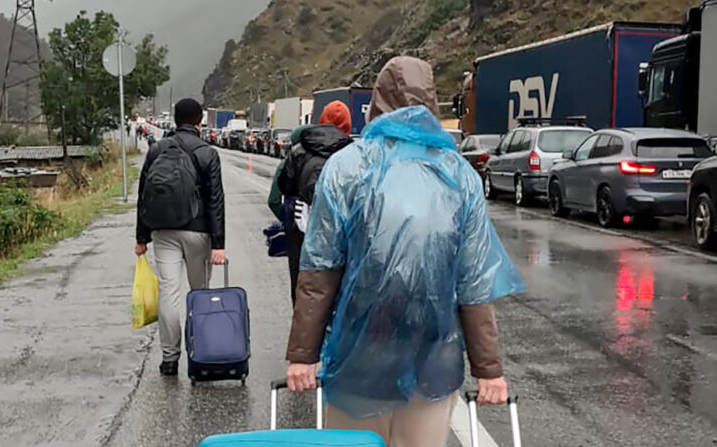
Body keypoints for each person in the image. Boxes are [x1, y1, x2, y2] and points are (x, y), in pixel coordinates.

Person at [284, 57, 524, 447]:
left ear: (377, 102)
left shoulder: (346, 167)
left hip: (358, 356)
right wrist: (488, 369)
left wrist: (302, 355)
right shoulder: (458, 173)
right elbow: (473, 280)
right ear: (430, 101)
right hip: (432, 357)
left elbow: (320, 271)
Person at [134, 98, 226, 376]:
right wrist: (218, 244)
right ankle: (200, 356)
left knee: (169, 293)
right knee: (199, 295)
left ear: (175, 120)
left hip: (163, 232)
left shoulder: (157, 150)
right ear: (199, 121)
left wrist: (141, 237)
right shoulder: (207, 153)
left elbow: (143, 196)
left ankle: (170, 358)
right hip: (198, 233)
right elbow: (215, 201)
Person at [277, 104, 353, 305]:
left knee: (303, 281)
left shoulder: (299, 150)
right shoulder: (353, 152)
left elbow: (284, 185)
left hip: (303, 227)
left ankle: (304, 326)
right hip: (341, 228)